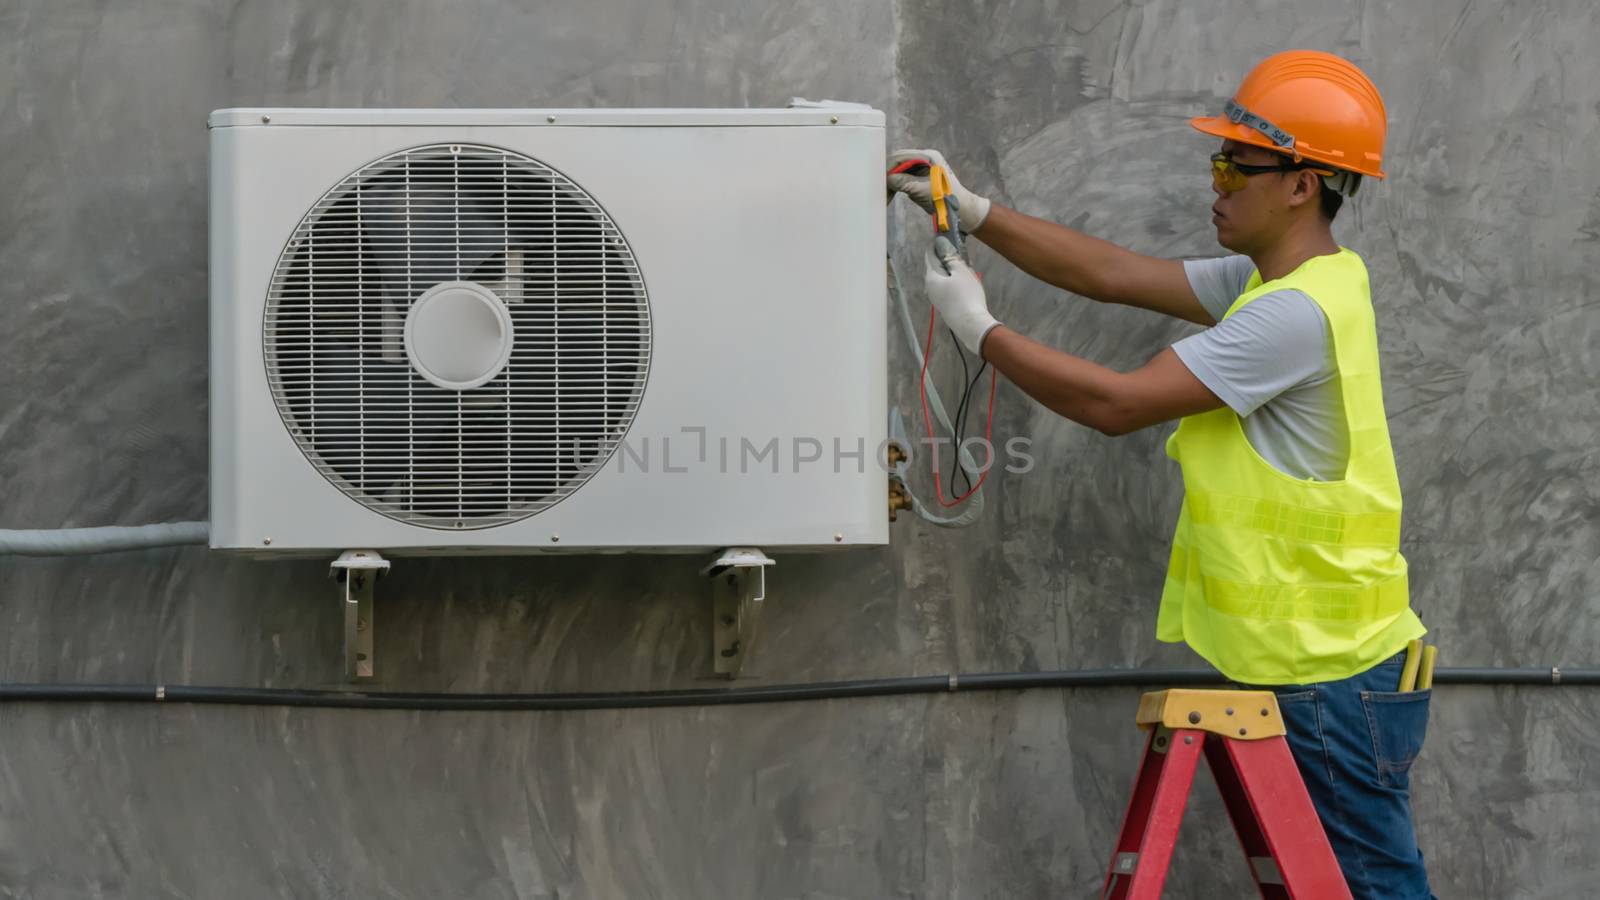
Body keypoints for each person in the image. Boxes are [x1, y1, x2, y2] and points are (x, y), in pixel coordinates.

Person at [888, 50, 1434, 899]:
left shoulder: (1290, 315)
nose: (1214, 182)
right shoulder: (1294, 281)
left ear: (1303, 183)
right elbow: (1110, 275)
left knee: (1375, 891)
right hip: (1328, 664)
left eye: (1235, 164)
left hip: (1331, 677)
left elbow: (1117, 404)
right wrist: (976, 212)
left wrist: (980, 332)